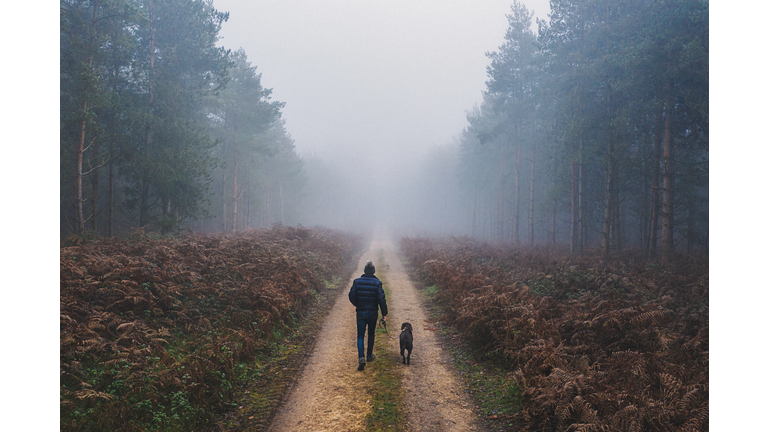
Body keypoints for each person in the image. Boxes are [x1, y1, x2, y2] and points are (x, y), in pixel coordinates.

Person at [348, 260, 388, 371]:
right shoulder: (377, 283)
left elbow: (351, 295)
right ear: (373, 271)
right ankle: (369, 355)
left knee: (360, 336)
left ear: (365, 270)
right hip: (373, 313)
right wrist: (384, 313)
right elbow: (381, 299)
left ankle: (361, 358)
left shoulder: (357, 282)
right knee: (371, 334)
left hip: (361, 312)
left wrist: (358, 304)